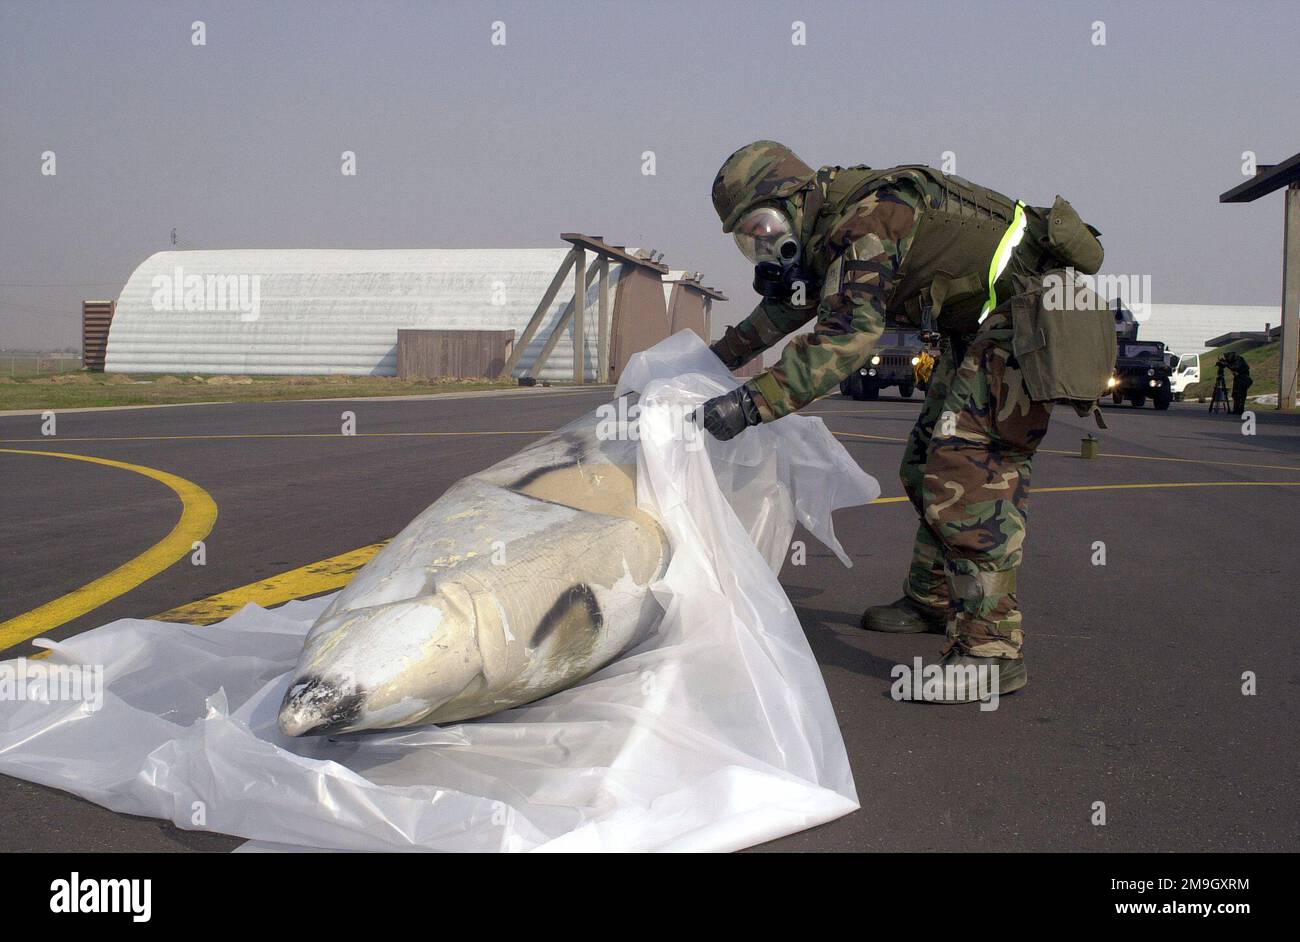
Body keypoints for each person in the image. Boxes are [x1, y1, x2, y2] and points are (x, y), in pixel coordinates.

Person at [697, 141, 1114, 702]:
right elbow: (792, 305)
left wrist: (749, 404)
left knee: (967, 474)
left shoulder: (867, 222)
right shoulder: (830, 229)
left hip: (1030, 324)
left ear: (797, 197)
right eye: (752, 239)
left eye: (766, 225)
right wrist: (709, 361)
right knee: (923, 465)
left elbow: (848, 339)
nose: (767, 243)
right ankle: (933, 598)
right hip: (984, 330)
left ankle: (990, 651)